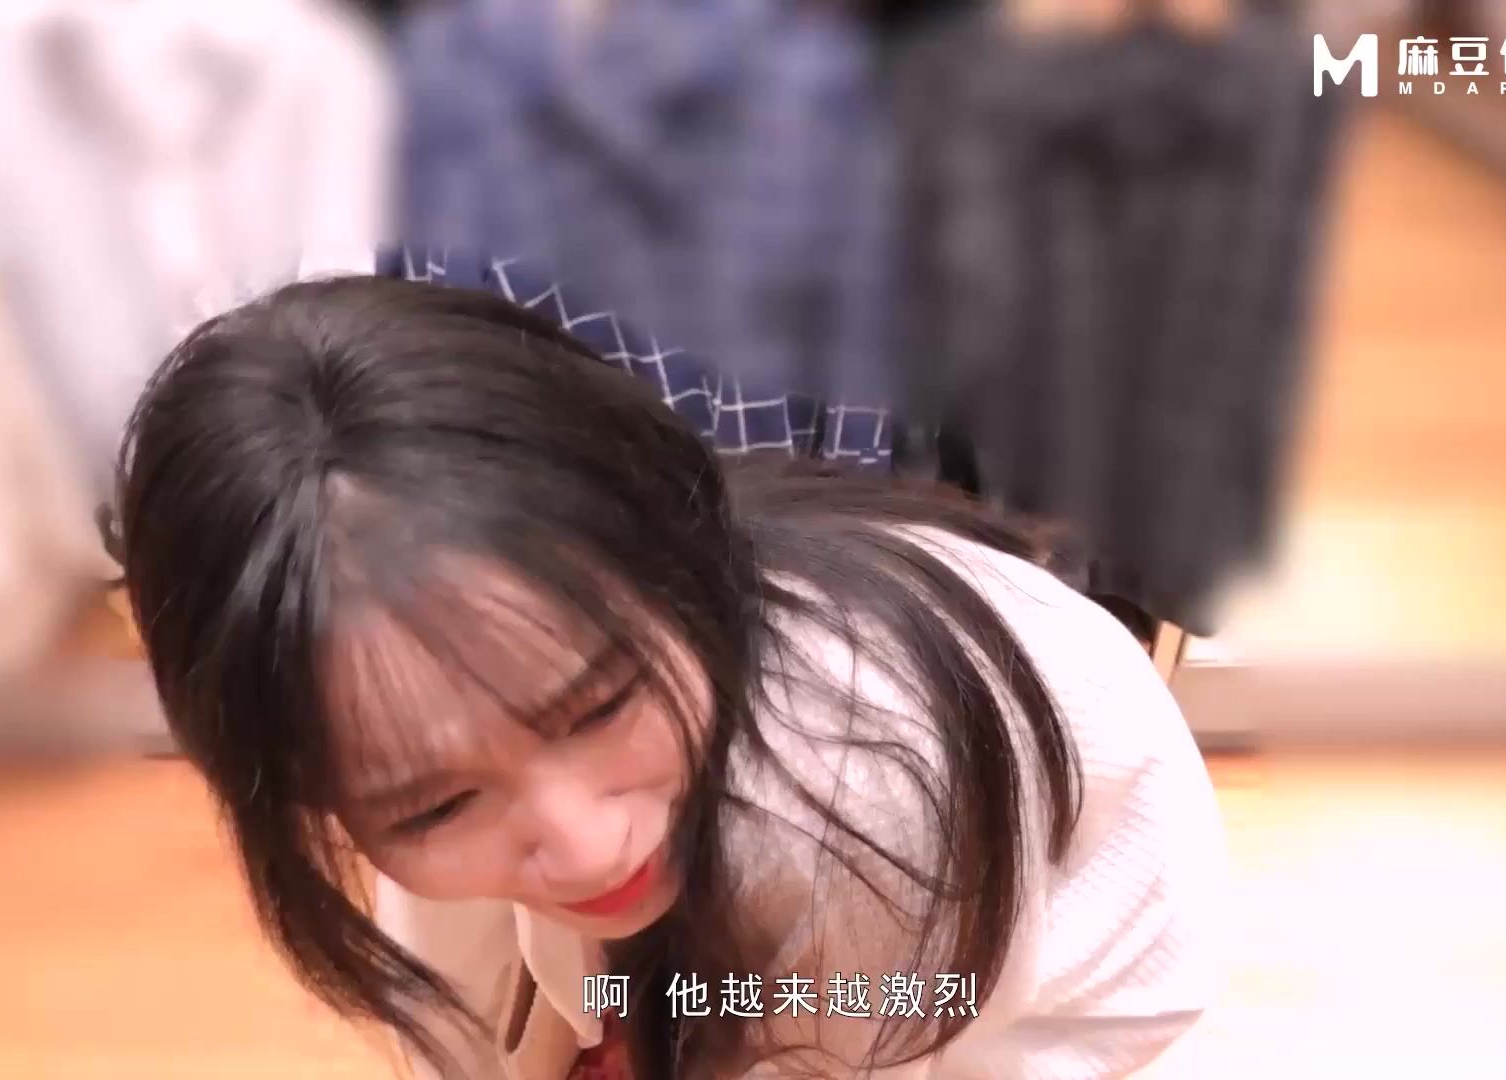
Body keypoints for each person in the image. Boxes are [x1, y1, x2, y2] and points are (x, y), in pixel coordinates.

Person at [106, 276, 1228, 1079]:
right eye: (434, 805)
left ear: (670, 549)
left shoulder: (857, 795)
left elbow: (873, 1017)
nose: (588, 844)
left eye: (599, 704)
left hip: (992, 980)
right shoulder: (571, 647)